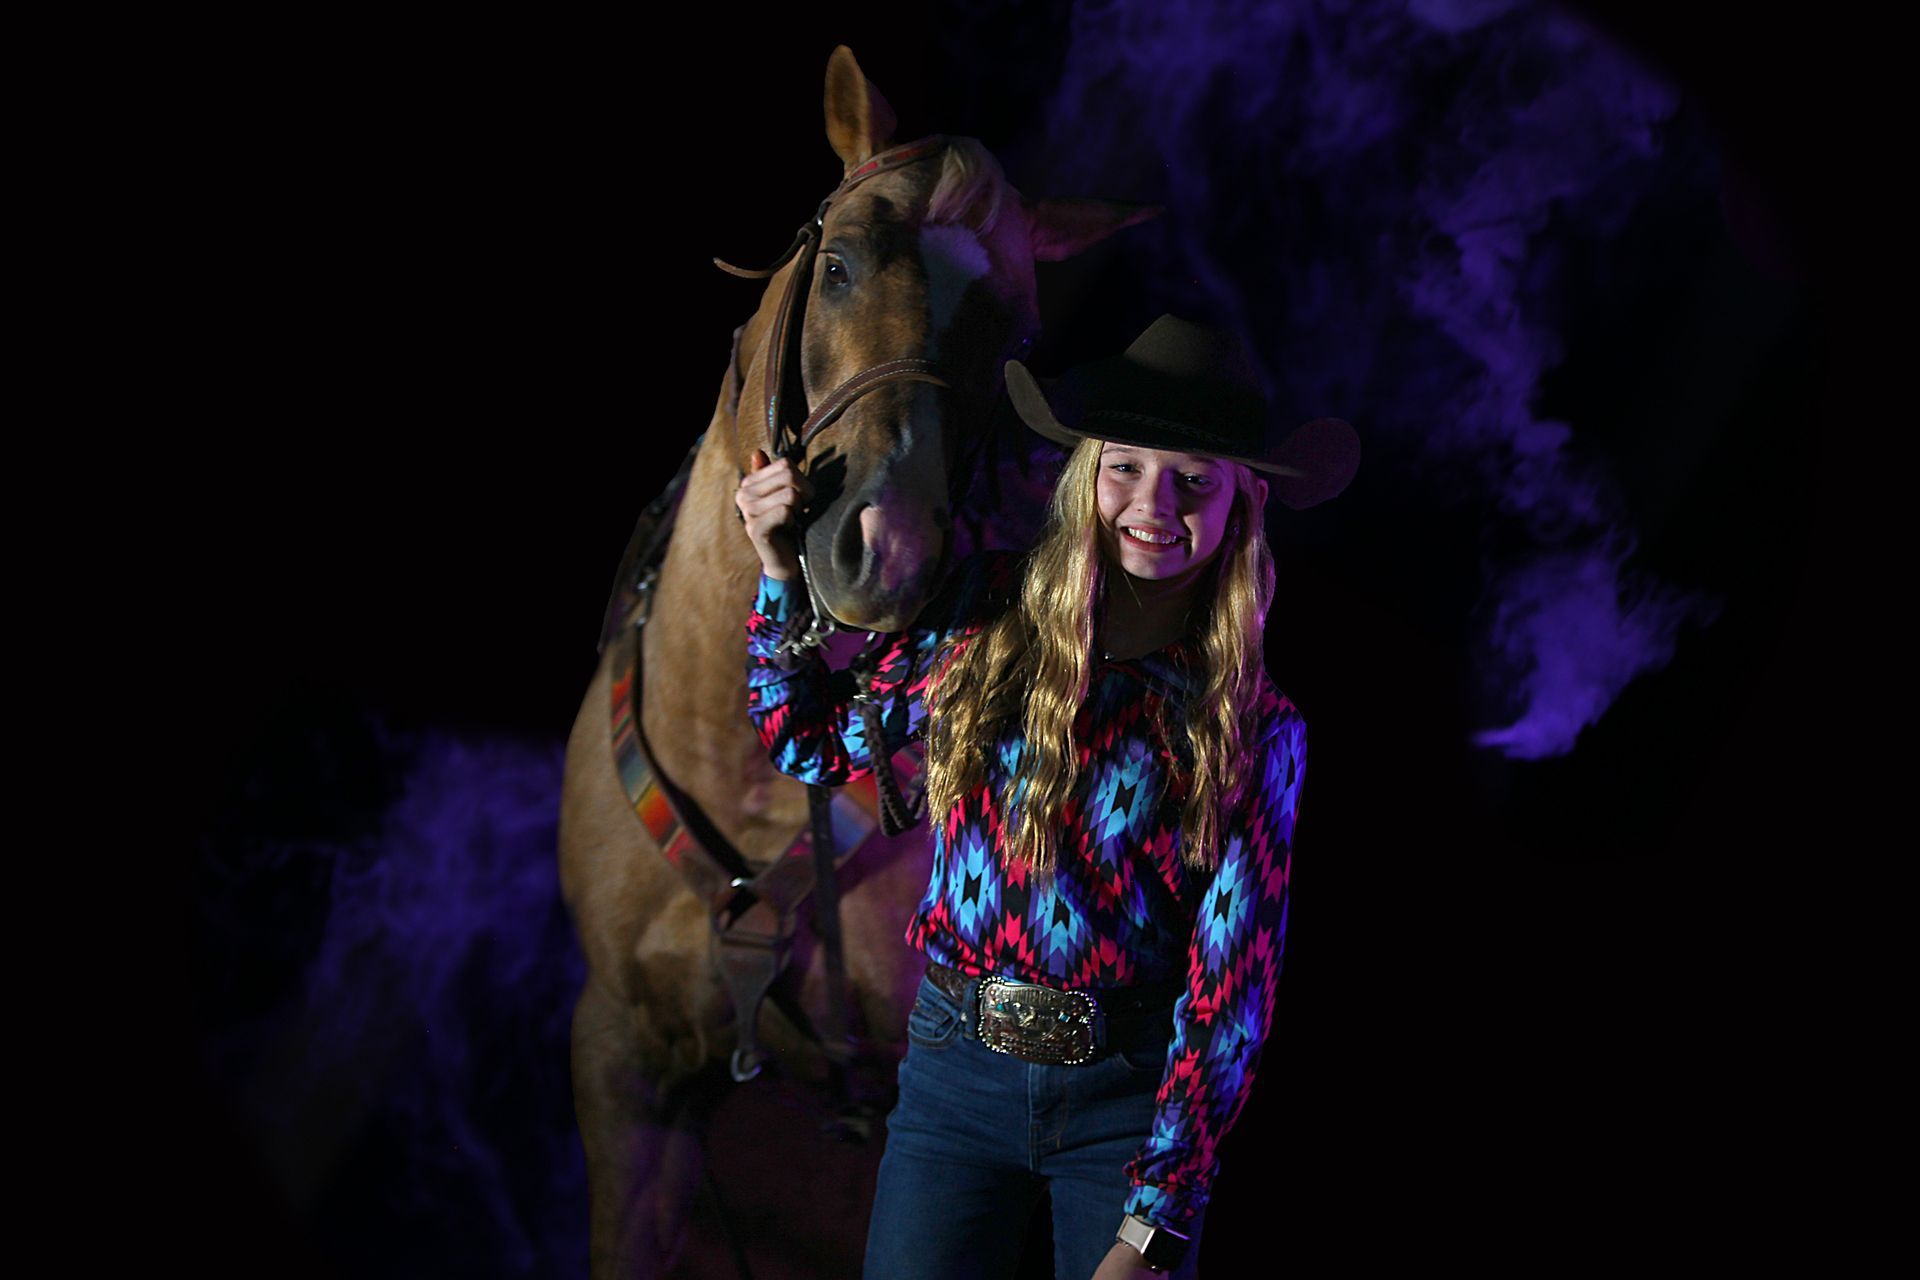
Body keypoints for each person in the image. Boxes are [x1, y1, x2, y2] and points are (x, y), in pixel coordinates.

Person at [733, 315, 1358, 1279]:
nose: (1153, 503)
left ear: (1244, 501)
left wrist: (1156, 1220)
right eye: (1126, 467)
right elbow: (809, 743)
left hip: (1128, 1101)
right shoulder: (982, 614)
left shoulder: (1253, 726)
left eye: (1194, 480)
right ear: (1085, 475)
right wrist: (779, 570)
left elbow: (1231, 992)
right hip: (954, 1071)